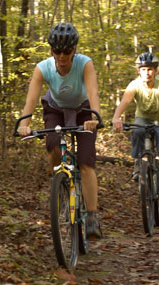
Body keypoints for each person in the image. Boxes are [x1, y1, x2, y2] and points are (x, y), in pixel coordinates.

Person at [17, 22, 102, 239]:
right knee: (53, 146)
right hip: (55, 110)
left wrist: (94, 117)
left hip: (83, 110)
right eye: (57, 51)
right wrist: (24, 122)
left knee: (85, 162)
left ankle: (91, 216)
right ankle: (60, 183)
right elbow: (32, 98)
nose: (62, 56)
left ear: (75, 50)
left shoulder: (84, 64)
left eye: (67, 51)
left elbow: (93, 91)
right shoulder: (42, 68)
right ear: (51, 50)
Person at [112, 52, 159, 216]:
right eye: (143, 69)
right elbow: (125, 101)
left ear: (156, 70)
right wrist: (116, 118)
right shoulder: (134, 84)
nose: (147, 73)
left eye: (150, 69)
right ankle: (138, 161)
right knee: (136, 129)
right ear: (139, 70)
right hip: (143, 119)